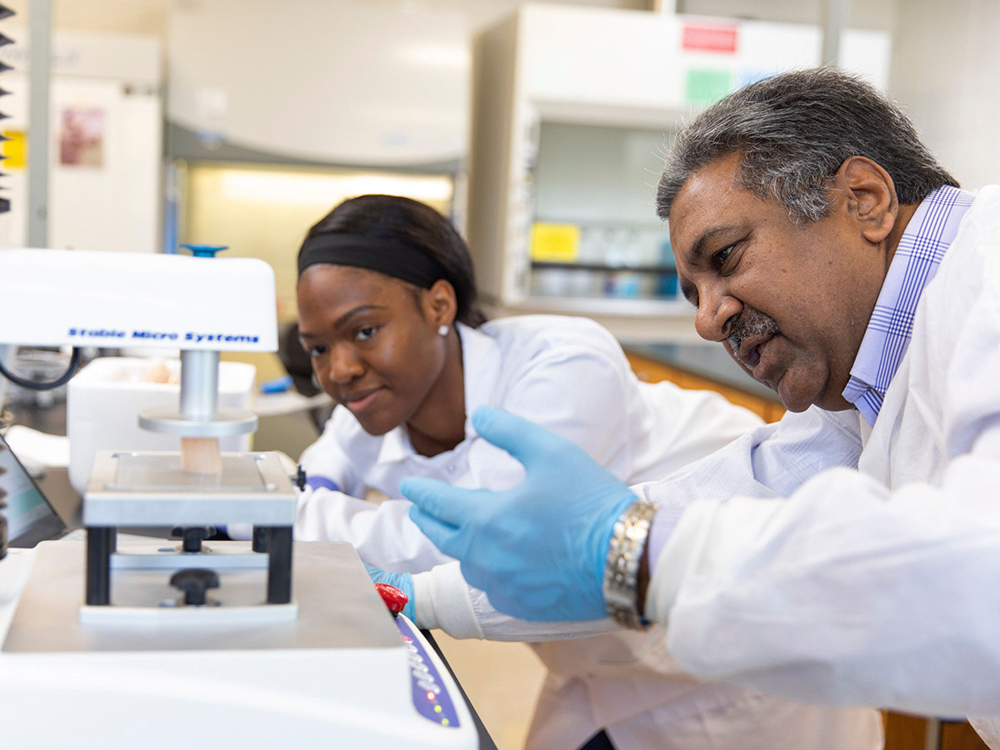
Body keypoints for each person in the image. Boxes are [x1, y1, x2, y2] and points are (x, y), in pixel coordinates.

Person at [401, 68, 1000, 746]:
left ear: (864, 200)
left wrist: (628, 550)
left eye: (726, 256)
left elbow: (983, 572)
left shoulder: (990, 274)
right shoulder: (859, 392)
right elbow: (729, 499)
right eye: (693, 292)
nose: (709, 322)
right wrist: (428, 597)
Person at [281, 193, 882, 749]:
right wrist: (308, 494)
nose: (340, 370)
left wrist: (287, 512)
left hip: (741, 677)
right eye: (317, 349)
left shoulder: (561, 362)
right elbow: (324, 467)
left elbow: (495, 544)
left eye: (364, 331)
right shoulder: (378, 398)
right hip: (600, 664)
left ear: (439, 303)